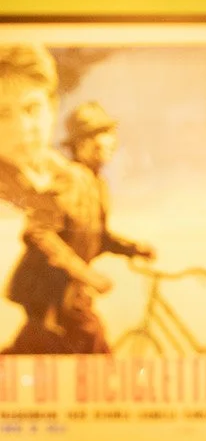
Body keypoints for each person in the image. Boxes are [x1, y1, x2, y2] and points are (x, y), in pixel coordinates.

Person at [0, 54, 151, 354]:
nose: (104, 146)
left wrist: (132, 248)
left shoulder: (96, 184)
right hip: (48, 292)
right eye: (3, 114)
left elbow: (97, 235)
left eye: (32, 109)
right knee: (83, 347)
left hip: (67, 293)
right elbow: (39, 233)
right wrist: (87, 275)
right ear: (80, 146)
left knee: (37, 353)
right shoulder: (70, 179)